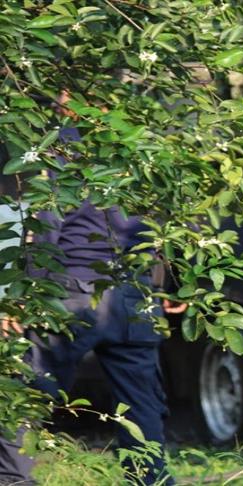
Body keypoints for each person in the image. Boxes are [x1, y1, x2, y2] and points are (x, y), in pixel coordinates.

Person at [0, 126, 184, 485]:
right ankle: (151, 479)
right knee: (141, 402)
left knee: (26, 392)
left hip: (72, 288)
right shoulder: (148, 146)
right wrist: (172, 289)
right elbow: (173, 228)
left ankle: (14, 481)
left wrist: (24, 297)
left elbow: (49, 226)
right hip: (136, 294)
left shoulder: (62, 145)